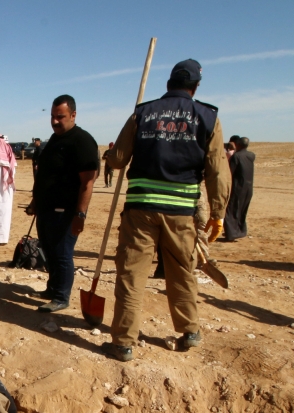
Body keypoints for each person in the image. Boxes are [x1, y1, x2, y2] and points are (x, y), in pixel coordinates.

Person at [103, 59, 231, 362]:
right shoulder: (208, 117)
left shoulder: (143, 112)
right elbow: (217, 171)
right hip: (181, 212)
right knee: (181, 271)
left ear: (168, 83)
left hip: (141, 208)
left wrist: (109, 154)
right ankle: (190, 332)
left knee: (132, 274)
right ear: (196, 86)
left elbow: (119, 159)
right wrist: (218, 212)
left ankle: (123, 342)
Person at [27, 95, 99, 313]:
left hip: (66, 212)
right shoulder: (55, 140)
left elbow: (88, 182)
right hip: (46, 209)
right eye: (52, 116)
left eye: (60, 117)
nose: (55, 121)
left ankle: (61, 297)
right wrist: (35, 201)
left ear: (73, 115)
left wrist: (80, 215)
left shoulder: (83, 141)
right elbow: (45, 176)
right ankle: (52, 288)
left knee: (62, 253)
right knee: (49, 250)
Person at [222, 136, 254, 241]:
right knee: (242, 209)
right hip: (249, 187)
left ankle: (231, 234)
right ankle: (240, 231)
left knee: (231, 209)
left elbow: (230, 172)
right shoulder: (251, 155)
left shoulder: (236, 156)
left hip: (238, 187)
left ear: (238, 145)